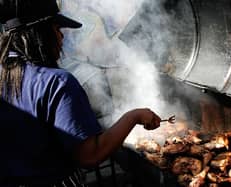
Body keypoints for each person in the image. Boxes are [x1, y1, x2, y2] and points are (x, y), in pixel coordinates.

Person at [0, 0, 161, 186]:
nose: (62, 37)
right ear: (40, 33)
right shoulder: (57, 83)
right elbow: (90, 156)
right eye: (57, 29)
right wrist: (134, 116)